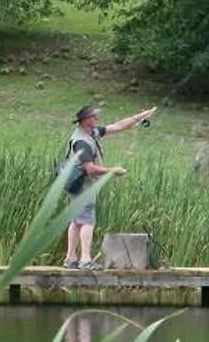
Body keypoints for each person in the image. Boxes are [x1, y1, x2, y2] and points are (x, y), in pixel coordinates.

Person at [63, 103, 157, 269]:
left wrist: (139, 117)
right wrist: (112, 171)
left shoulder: (92, 132)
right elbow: (89, 168)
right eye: (93, 116)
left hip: (79, 185)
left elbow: (117, 126)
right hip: (83, 186)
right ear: (85, 120)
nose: (97, 118)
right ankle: (85, 260)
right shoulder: (82, 142)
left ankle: (71, 259)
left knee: (77, 220)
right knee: (87, 221)